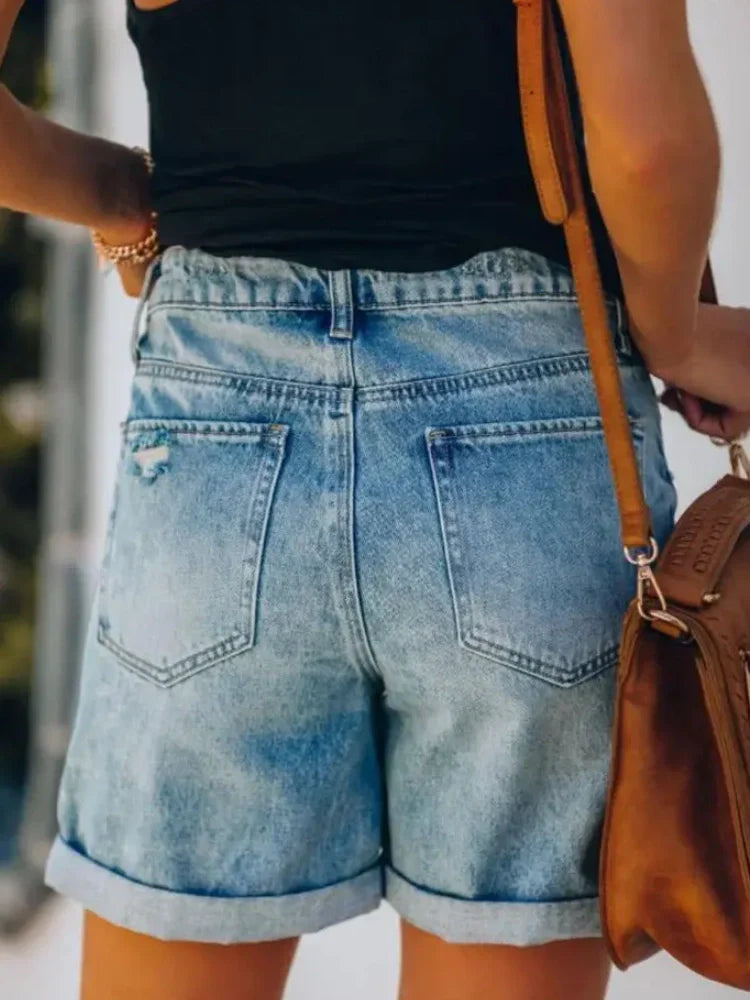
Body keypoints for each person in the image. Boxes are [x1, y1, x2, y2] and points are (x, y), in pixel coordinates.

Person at [2, 0, 749, 997]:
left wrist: (128, 197)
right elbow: (648, 148)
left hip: (217, 425)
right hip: (523, 416)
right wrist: (678, 337)